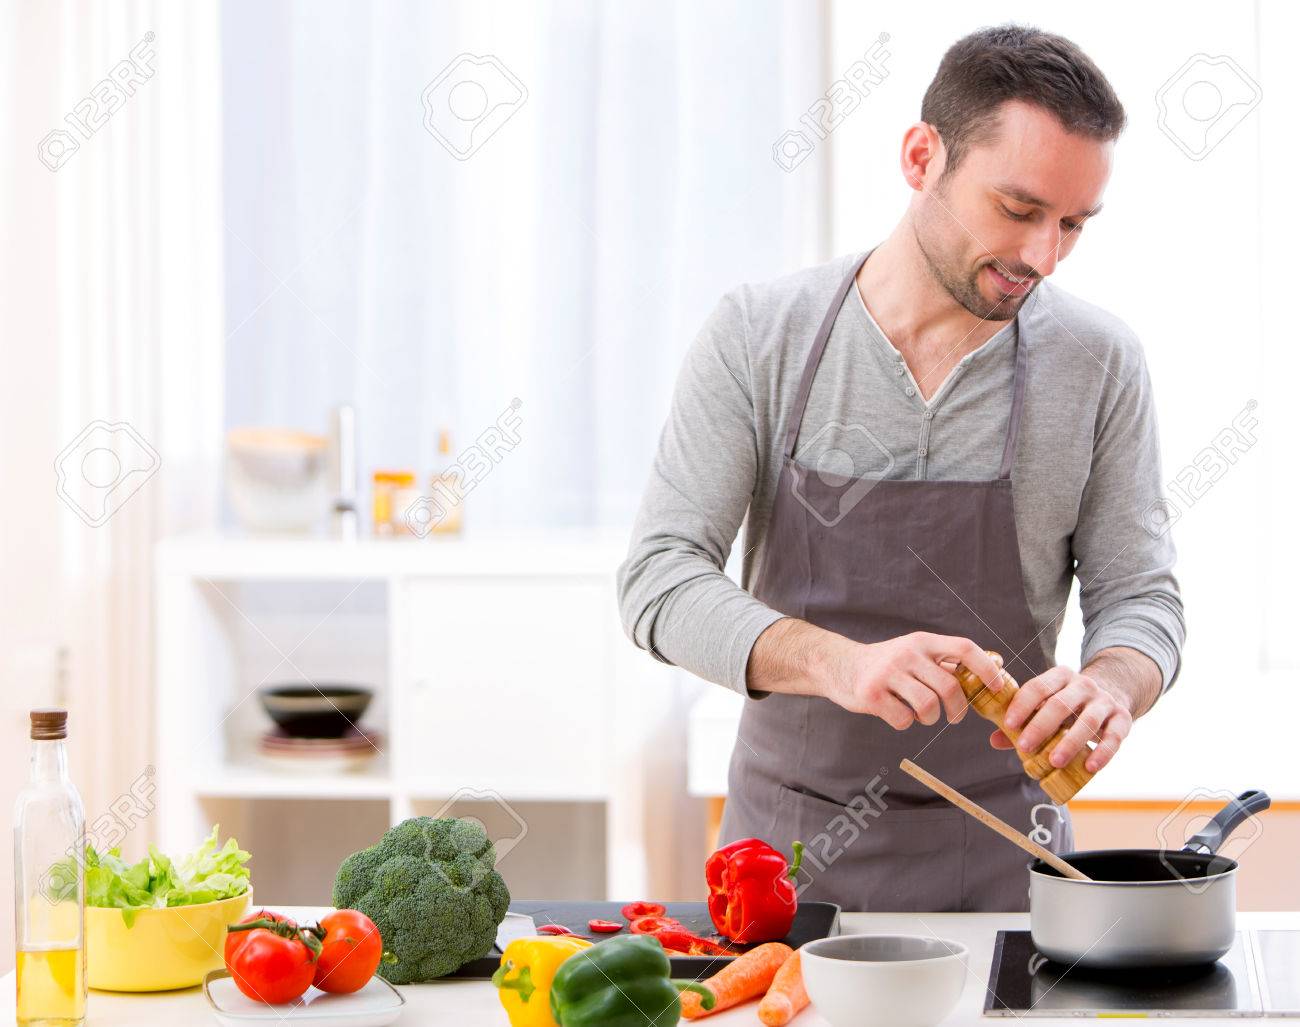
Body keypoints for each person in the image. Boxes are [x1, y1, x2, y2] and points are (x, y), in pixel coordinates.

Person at [617, 24, 1184, 912]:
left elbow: (1143, 596)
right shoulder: (761, 335)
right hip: (786, 867)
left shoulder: (1099, 362)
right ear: (923, 157)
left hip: (1008, 865)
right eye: (1019, 209)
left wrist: (1112, 684)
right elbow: (658, 581)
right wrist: (839, 664)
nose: (1042, 256)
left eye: (1073, 224)